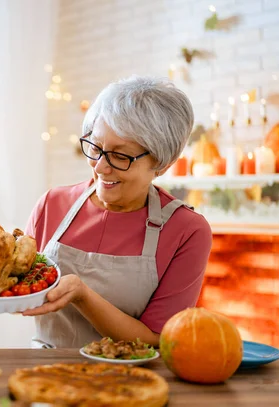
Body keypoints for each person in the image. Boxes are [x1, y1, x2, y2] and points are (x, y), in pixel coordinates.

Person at [23, 76, 212, 348]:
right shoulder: (52, 204)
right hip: (43, 374)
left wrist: (82, 295)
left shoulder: (186, 231)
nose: (100, 167)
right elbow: (19, 291)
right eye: (96, 148)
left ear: (162, 163)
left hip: (131, 383)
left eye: (120, 156)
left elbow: (158, 340)